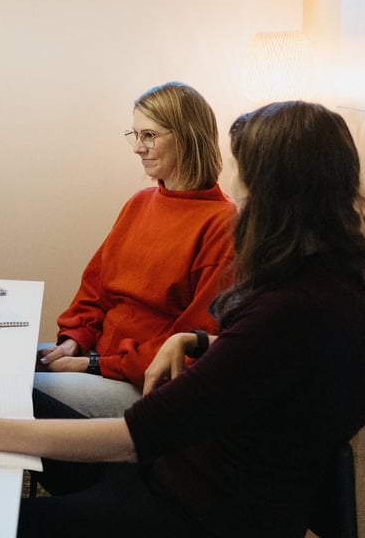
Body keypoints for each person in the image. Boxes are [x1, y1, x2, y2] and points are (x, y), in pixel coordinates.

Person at [0, 101, 365, 538]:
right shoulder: (341, 280)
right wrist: (195, 341)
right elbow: (269, 366)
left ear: (276, 194)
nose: (238, 190)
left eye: (245, 176)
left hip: (199, 510)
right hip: (191, 474)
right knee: (15, 412)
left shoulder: (296, 307)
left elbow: (133, 437)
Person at [35, 81, 236, 418]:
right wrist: (75, 338)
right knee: (2, 368)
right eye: (135, 135)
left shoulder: (222, 222)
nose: (138, 148)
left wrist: (94, 364)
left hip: (145, 382)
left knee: (22, 392)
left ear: (187, 136)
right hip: (100, 357)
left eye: (149, 136)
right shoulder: (140, 203)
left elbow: (193, 346)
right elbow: (95, 291)